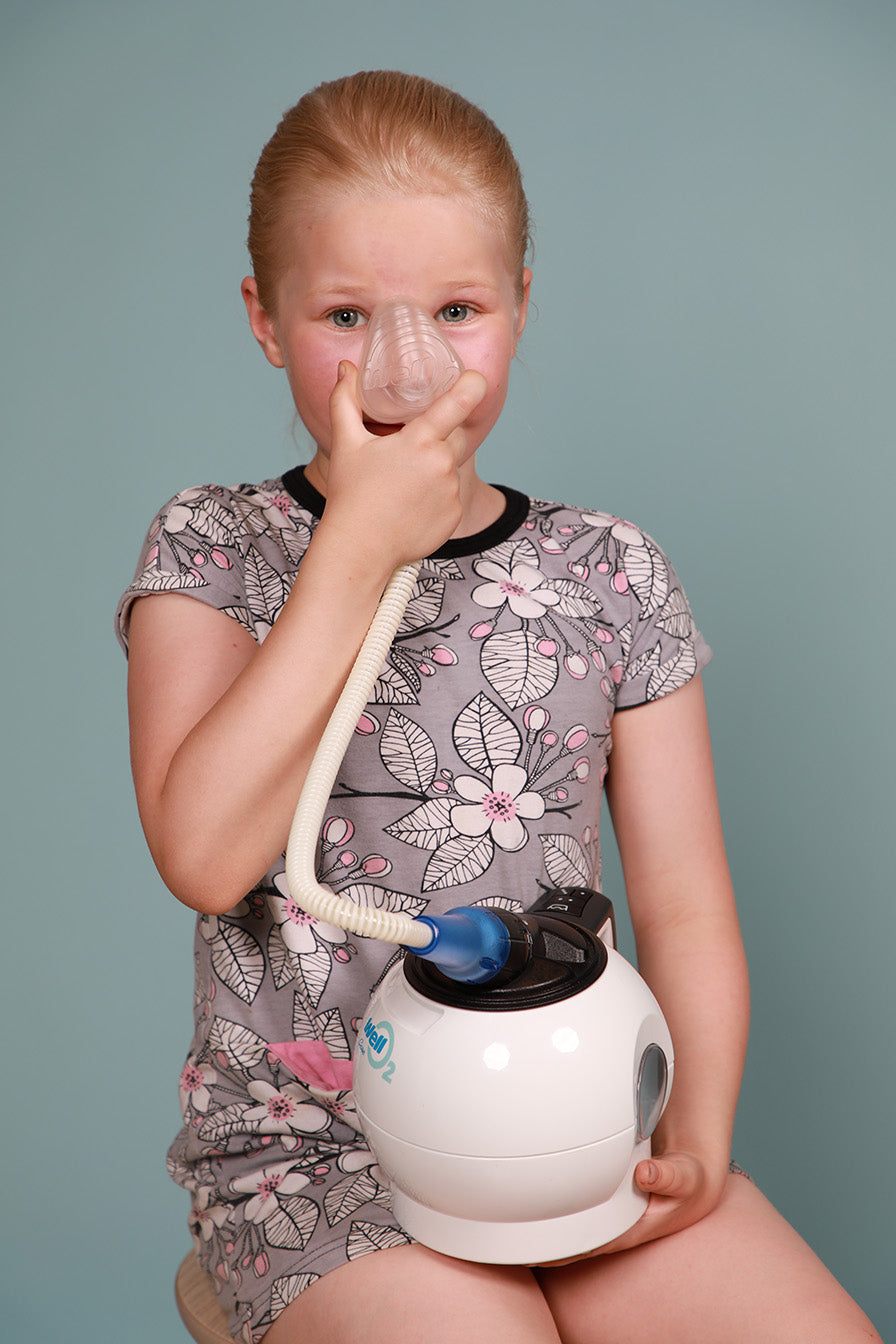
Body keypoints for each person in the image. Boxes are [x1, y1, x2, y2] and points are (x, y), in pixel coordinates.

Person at [117, 71, 881, 1344]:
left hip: (568, 1132)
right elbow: (204, 858)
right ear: (264, 319)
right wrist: (355, 551)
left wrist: (689, 1142)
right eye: (346, 315)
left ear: (521, 306)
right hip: (320, 1162)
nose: (408, 366)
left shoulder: (607, 569)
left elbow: (685, 902)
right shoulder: (216, 547)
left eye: (457, 308)